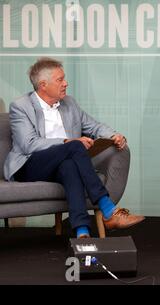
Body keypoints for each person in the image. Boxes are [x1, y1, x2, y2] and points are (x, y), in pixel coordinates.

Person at [3, 57, 145, 238]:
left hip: (62, 162)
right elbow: (28, 144)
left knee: (69, 166)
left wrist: (114, 135)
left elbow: (94, 126)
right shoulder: (21, 106)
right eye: (60, 79)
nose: (65, 83)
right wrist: (66, 142)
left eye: (64, 78)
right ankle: (108, 210)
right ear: (43, 85)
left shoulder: (69, 103)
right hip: (30, 165)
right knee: (76, 146)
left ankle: (82, 232)